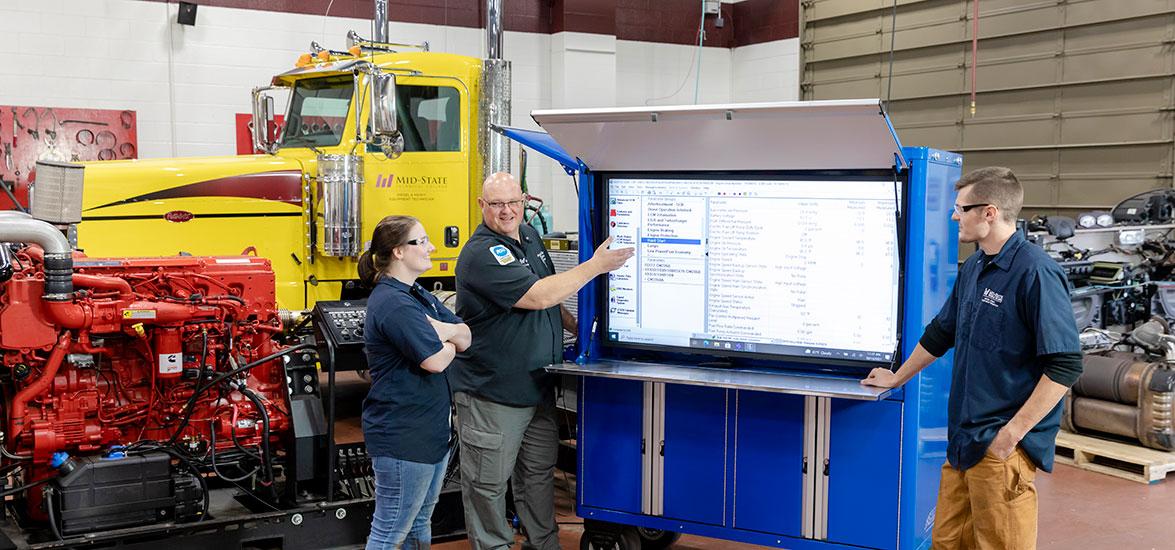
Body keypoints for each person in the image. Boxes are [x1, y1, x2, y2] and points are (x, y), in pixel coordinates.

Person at [862, 167, 1083, 550]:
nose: (953, 216)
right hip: (962, 443)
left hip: (1001, 449)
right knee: (946, 542)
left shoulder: (1035, 273)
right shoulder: (976, 267)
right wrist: (897, 377)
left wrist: (1012, 435)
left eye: (961, 208)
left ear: (989, 213)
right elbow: (941, 332)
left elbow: (1065, 365)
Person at [452, 172, 634, 550]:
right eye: (497, 204)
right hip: (494, 394)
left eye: (513, 202)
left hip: (537, 388)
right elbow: (537, 297)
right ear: (481, 206)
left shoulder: (529, 236)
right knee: (488, 484)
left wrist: (578, 327)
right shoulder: (481, 254)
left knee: (536, 476)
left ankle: (543, 545)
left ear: (524, 201)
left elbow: (551, 297)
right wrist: (595, 266)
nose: (507, 211)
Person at [359, 215, 472, 550]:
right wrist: (449, 340)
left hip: (429, 432)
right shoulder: (393, 303)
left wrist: (445, 334)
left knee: (419, 523)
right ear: (397, 252)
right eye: (421, 241)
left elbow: (467, 334)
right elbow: (436, 361)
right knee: (389, 532)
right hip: (404, 437)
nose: (431, 247)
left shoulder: (416, 294)